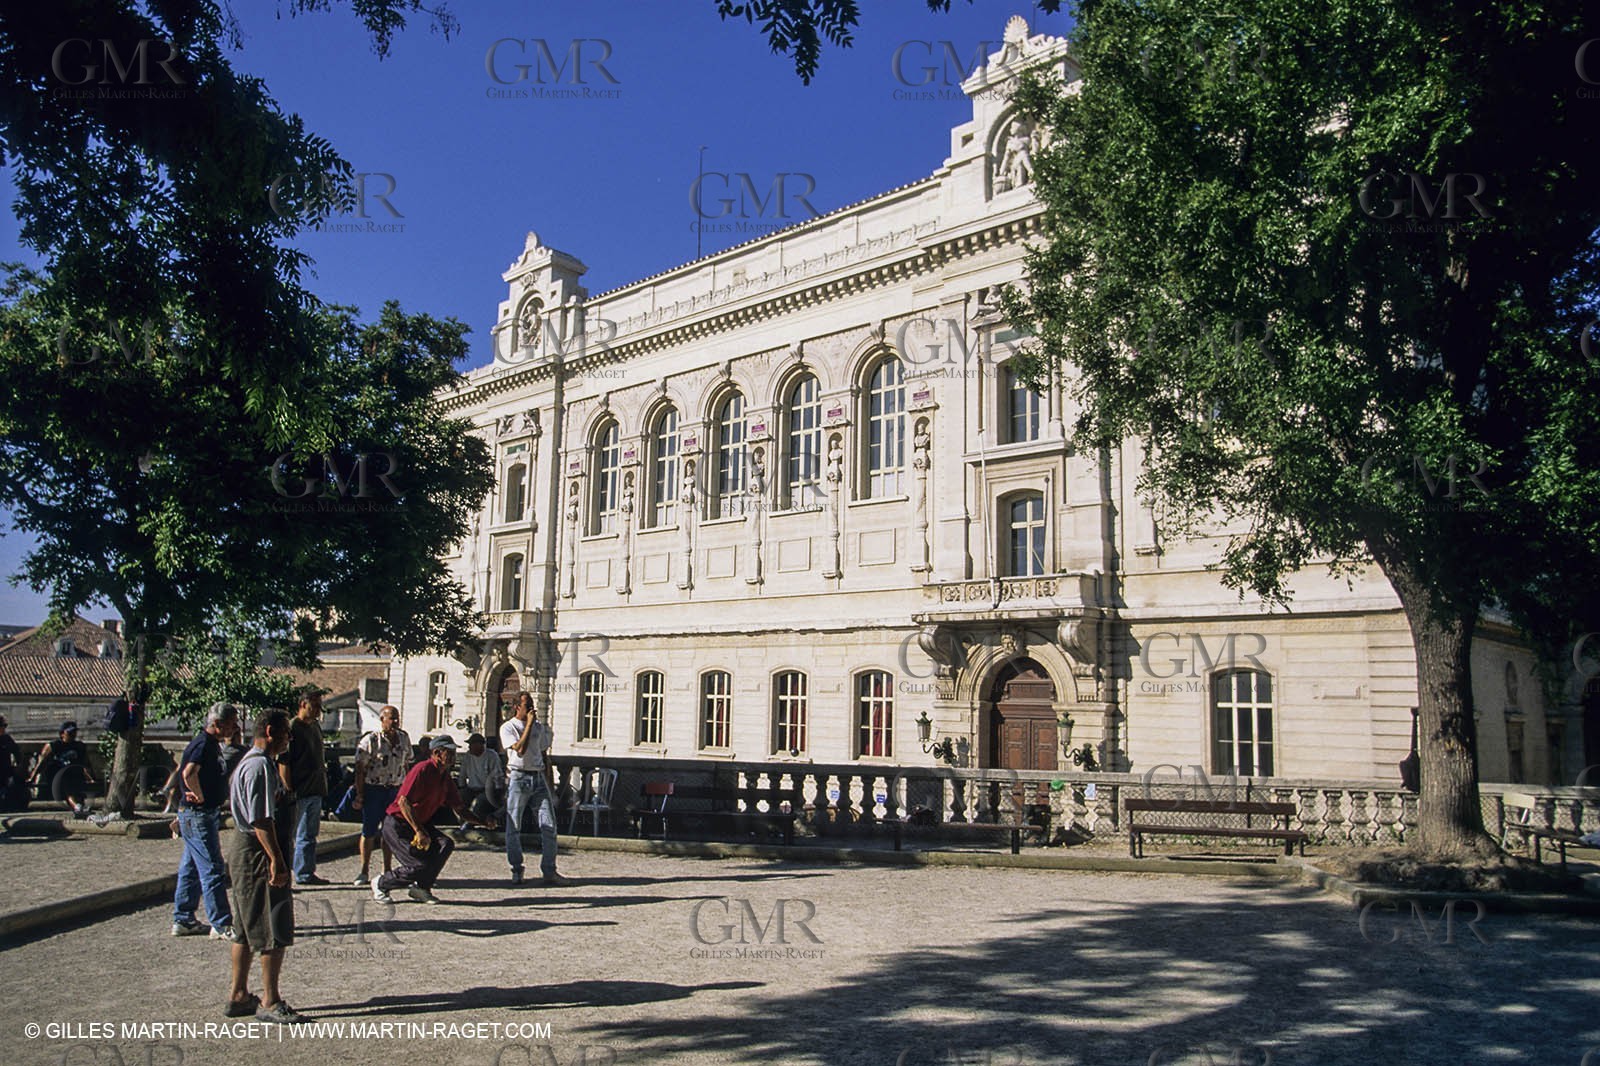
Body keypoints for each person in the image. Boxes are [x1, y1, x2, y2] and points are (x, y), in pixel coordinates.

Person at [225, 709, 306, 1024]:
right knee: (273, 926)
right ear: (271, 731)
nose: (289, 737)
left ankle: (238, 994)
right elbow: (261, 819)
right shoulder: (258, 767)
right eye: (286, 731)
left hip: (247, 849)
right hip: (258, 852)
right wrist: (276, 860)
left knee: (244, 927)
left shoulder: (251, 763)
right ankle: (270, 1001)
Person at [373, 736, 495, 905]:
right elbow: (403, 801)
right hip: (398, 824)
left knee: (445, 844)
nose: (453, 756)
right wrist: (419, 830)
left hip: (421, 824)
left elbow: (459, 809)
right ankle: (381, 883)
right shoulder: (421, 769)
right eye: (449, 752)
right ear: (437, 753)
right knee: (416, 865)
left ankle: (422, 888)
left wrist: (482, 822)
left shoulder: (445, 777)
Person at [172, 702, 239, 940]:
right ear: (217, 724)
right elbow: (188, 772)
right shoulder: (203, 745)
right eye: (232, 723)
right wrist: (198, 795)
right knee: (212, 868)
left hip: (197, 814)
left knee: (190, 868)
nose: (236, 727)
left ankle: (183, 918)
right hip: (198, 814)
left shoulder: (210, 744)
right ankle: (221, 923)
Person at [500, 693, 563, 886]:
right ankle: (517, 869)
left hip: (538, 776)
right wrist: (528, 725)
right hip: (519, 777)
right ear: (517, 707)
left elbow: (544, 755)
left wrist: (550, 786)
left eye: (532, 705)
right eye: (527, 705)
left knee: (549, 825)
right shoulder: (508, 727)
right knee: (514, 826)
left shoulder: (539, 728)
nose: (531, 709)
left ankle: (549, 870)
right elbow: (519, 749)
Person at [351, 705, 411, 886]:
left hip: (394, 789)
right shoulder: (371, 740)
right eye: (391, 718)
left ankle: (387, 868)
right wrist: (360, 794)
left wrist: (407, 790)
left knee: (390, 831)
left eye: (397, 718)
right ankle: (364, 869)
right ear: (382, 719)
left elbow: (407, 763)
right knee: (369, 830)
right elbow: (360, 769)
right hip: (374, 788)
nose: (394, 722)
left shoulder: (403, 738)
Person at [277, 691, 328, 885]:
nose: (316, 711)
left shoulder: (315, 726)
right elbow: (284, 761)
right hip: (299, 789)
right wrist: (288, 788)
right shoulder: (292, 728)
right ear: (302, 704)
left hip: (316, 788)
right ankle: (291, 873)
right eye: (313, 706)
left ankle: (305, 871)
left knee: (309, 834)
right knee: (295, 834)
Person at [29, 721, 94, 816]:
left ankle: (79, 807)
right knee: (67, 786)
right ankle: (77, 807)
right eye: (70, 733)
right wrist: (32, 777)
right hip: (58, 776)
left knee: (76, 785)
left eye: (74, 732)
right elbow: (41, 763)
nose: (73, 735)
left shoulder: (79, 746)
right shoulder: (54, 746)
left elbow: (85, 764)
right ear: (62, 734)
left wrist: (91, 778)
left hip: (75, 775)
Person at [456, 732, 504, 822]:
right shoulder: (468, 756)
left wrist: (498, 790)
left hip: (487, 790)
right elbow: (462, 774)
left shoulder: (491, 755)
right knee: (458, 801)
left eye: (472, 744)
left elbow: (497, 775)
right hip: (471, 789)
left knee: (477, 804)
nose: (469, 747)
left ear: (480, 745)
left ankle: (473, 824)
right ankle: (460, 823)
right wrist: (461, 787)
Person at [0, 715, 26, 811]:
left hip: (6, 773)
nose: (4, 728)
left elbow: (17, 753)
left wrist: (18, 766)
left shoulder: (7, 739)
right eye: (3, 725)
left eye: (5, 725)